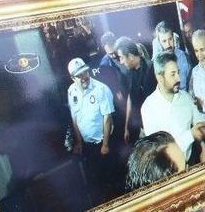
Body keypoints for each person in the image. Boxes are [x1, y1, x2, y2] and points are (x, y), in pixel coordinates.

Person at [141, 52, 205, 163]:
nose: (178, 78)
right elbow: (159, 149)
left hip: (192, 161)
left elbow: (199, 122)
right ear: (160, 77)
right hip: (169, 168)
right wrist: (190, 134)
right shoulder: (148, 108)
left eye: (178, 72)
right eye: (173, 74)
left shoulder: (186, 97)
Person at [66, 57, 115, 204]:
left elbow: (107, 118)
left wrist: (105, 144)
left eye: (85, 72)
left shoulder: (101, 89)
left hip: (104, 144)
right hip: (87, 146)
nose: (84, 77)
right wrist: (79, 142)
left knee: (110, 182)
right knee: (95, 184)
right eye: (79, 75)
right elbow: (75, 118)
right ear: (72, 78)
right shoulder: (71, 91)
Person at [115, 37, 156, 144]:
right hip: (141, 127)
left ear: (131, 56)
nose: (121, 62)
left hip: (156, 125)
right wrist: (126, 127)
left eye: (122, 57)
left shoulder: (151, 69)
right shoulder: (129, 73)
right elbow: (130, 98)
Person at [153, 21, 192, 93]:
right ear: (159, 42)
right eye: (164, 41)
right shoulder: (157, 64)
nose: (168, 45)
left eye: (170, 39)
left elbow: (191, 83)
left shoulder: (184, 56)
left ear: (173, 37)